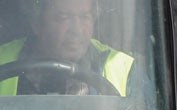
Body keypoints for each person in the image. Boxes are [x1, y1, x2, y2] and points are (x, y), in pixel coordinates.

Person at [0, 0, 133, 95]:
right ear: (36, 23)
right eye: (64, 18)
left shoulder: (124, 69)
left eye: (85, 17)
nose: (76, 30)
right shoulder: (2, 60)